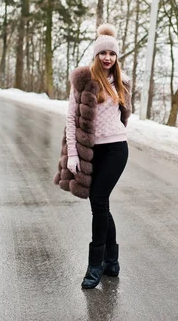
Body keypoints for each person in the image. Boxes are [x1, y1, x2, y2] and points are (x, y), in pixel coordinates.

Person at [53, 23, 132, 289]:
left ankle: (95, 266)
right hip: (91, 151)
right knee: (101, 205)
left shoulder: (122, 84)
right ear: (96, 55)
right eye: (103, 53)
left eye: (112, 53)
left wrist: (114, 134)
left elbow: (123, 118)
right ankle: (111, 261)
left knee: (98, 199)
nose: (108, 57)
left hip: (116, 149)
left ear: (117, 57)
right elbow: (71, 119)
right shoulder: (83, 81)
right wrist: (73, 155)